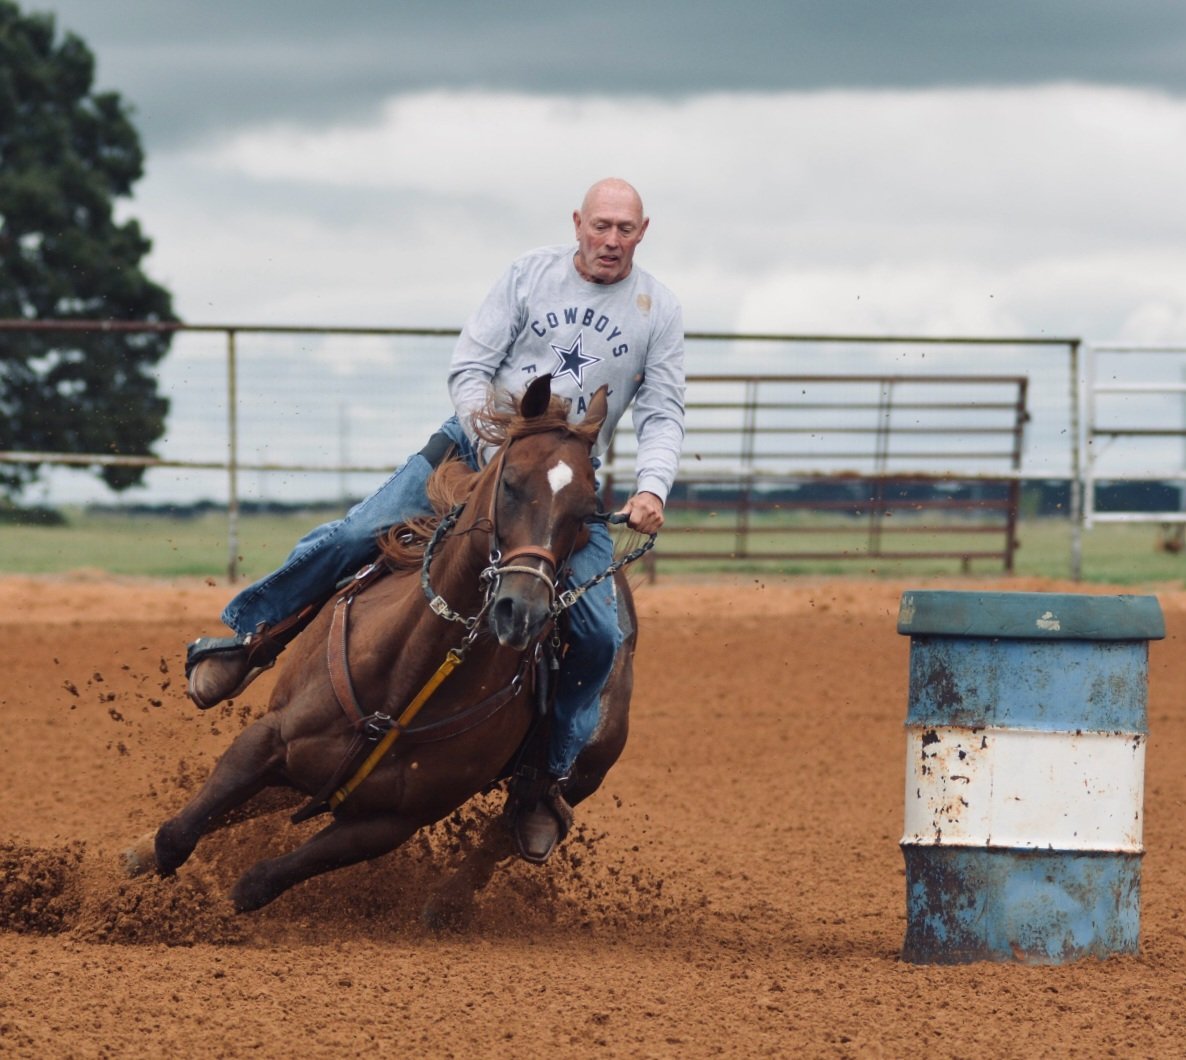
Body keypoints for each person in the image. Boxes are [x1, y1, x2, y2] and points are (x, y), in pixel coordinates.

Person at [185, 177, 686, 861]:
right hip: (475, 450)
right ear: (578, 223)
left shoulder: (658, 309)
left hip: (559, 486)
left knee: (601, 634)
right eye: (601, 225)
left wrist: (653, 488)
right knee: (352, 536)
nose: (611, 240)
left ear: (642, 233)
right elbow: (470, 367)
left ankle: (540, 782)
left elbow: (663, 412)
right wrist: (491, 451)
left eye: (625, 229)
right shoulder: (528, 276)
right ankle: (250, 638)